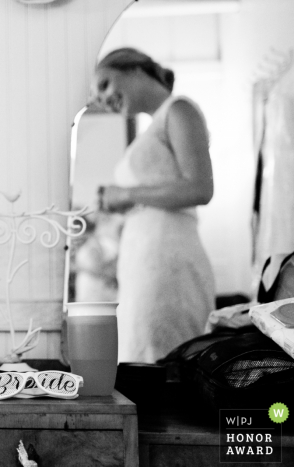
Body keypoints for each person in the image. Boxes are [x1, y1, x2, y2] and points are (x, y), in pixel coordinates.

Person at [91, 47, 216, 363]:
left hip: (167, 262)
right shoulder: (153, 126)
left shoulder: (179, 110)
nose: (104, 100)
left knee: (162, 360)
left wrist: (128, 195)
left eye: (104, 85)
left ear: (133, 69)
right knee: (141, 357)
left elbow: (200, 188)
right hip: (142, 264)